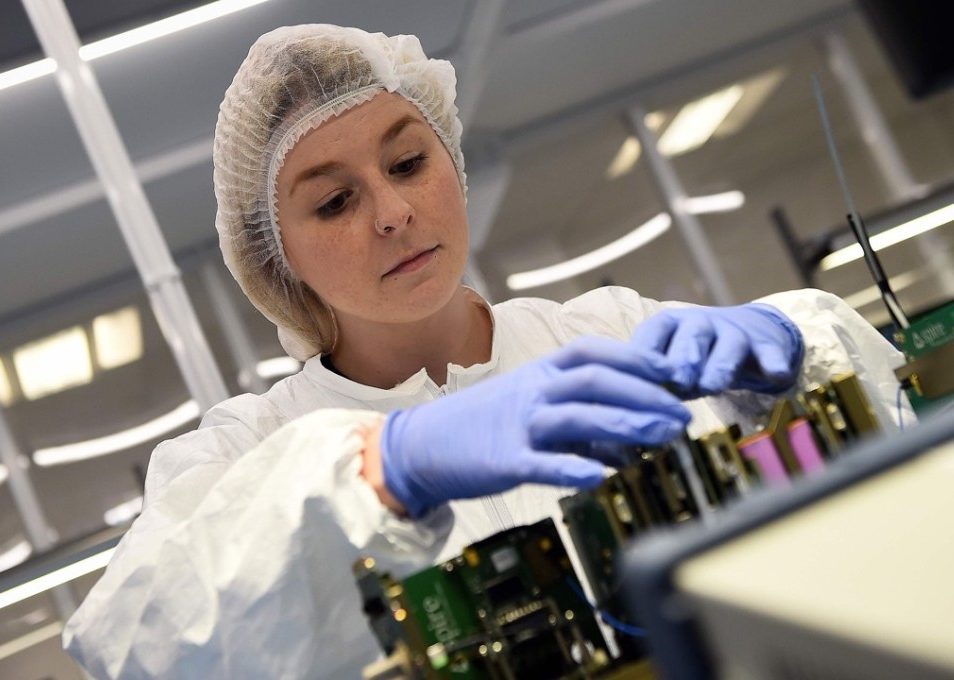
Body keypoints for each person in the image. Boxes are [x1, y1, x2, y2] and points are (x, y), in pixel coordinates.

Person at [63, 24, 912, 679]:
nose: (393, 212)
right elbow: (136, 642)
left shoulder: (610, 333)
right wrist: (382, 471)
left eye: (407, 159)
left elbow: (883, 433)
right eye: (333, 203)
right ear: (272, 253)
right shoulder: (241, 452)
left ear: (450, 158)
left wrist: (799, 348)